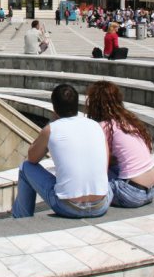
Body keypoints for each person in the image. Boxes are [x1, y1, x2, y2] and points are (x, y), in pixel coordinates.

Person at [11, 84, 111, 218]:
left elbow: (32, 158)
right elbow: (105, 163)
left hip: (69, 207)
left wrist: (49, 124)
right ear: (77, 105)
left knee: (25, 167)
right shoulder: (96, 126)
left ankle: (21, 218)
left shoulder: (51, 129)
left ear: (54, 108)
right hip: (101, 204)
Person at [86, 81, 154, 208]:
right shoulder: (129, 121)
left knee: (87, 175)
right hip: (151, 190)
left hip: (131, 193)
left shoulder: (105, 126)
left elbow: (97, 163)